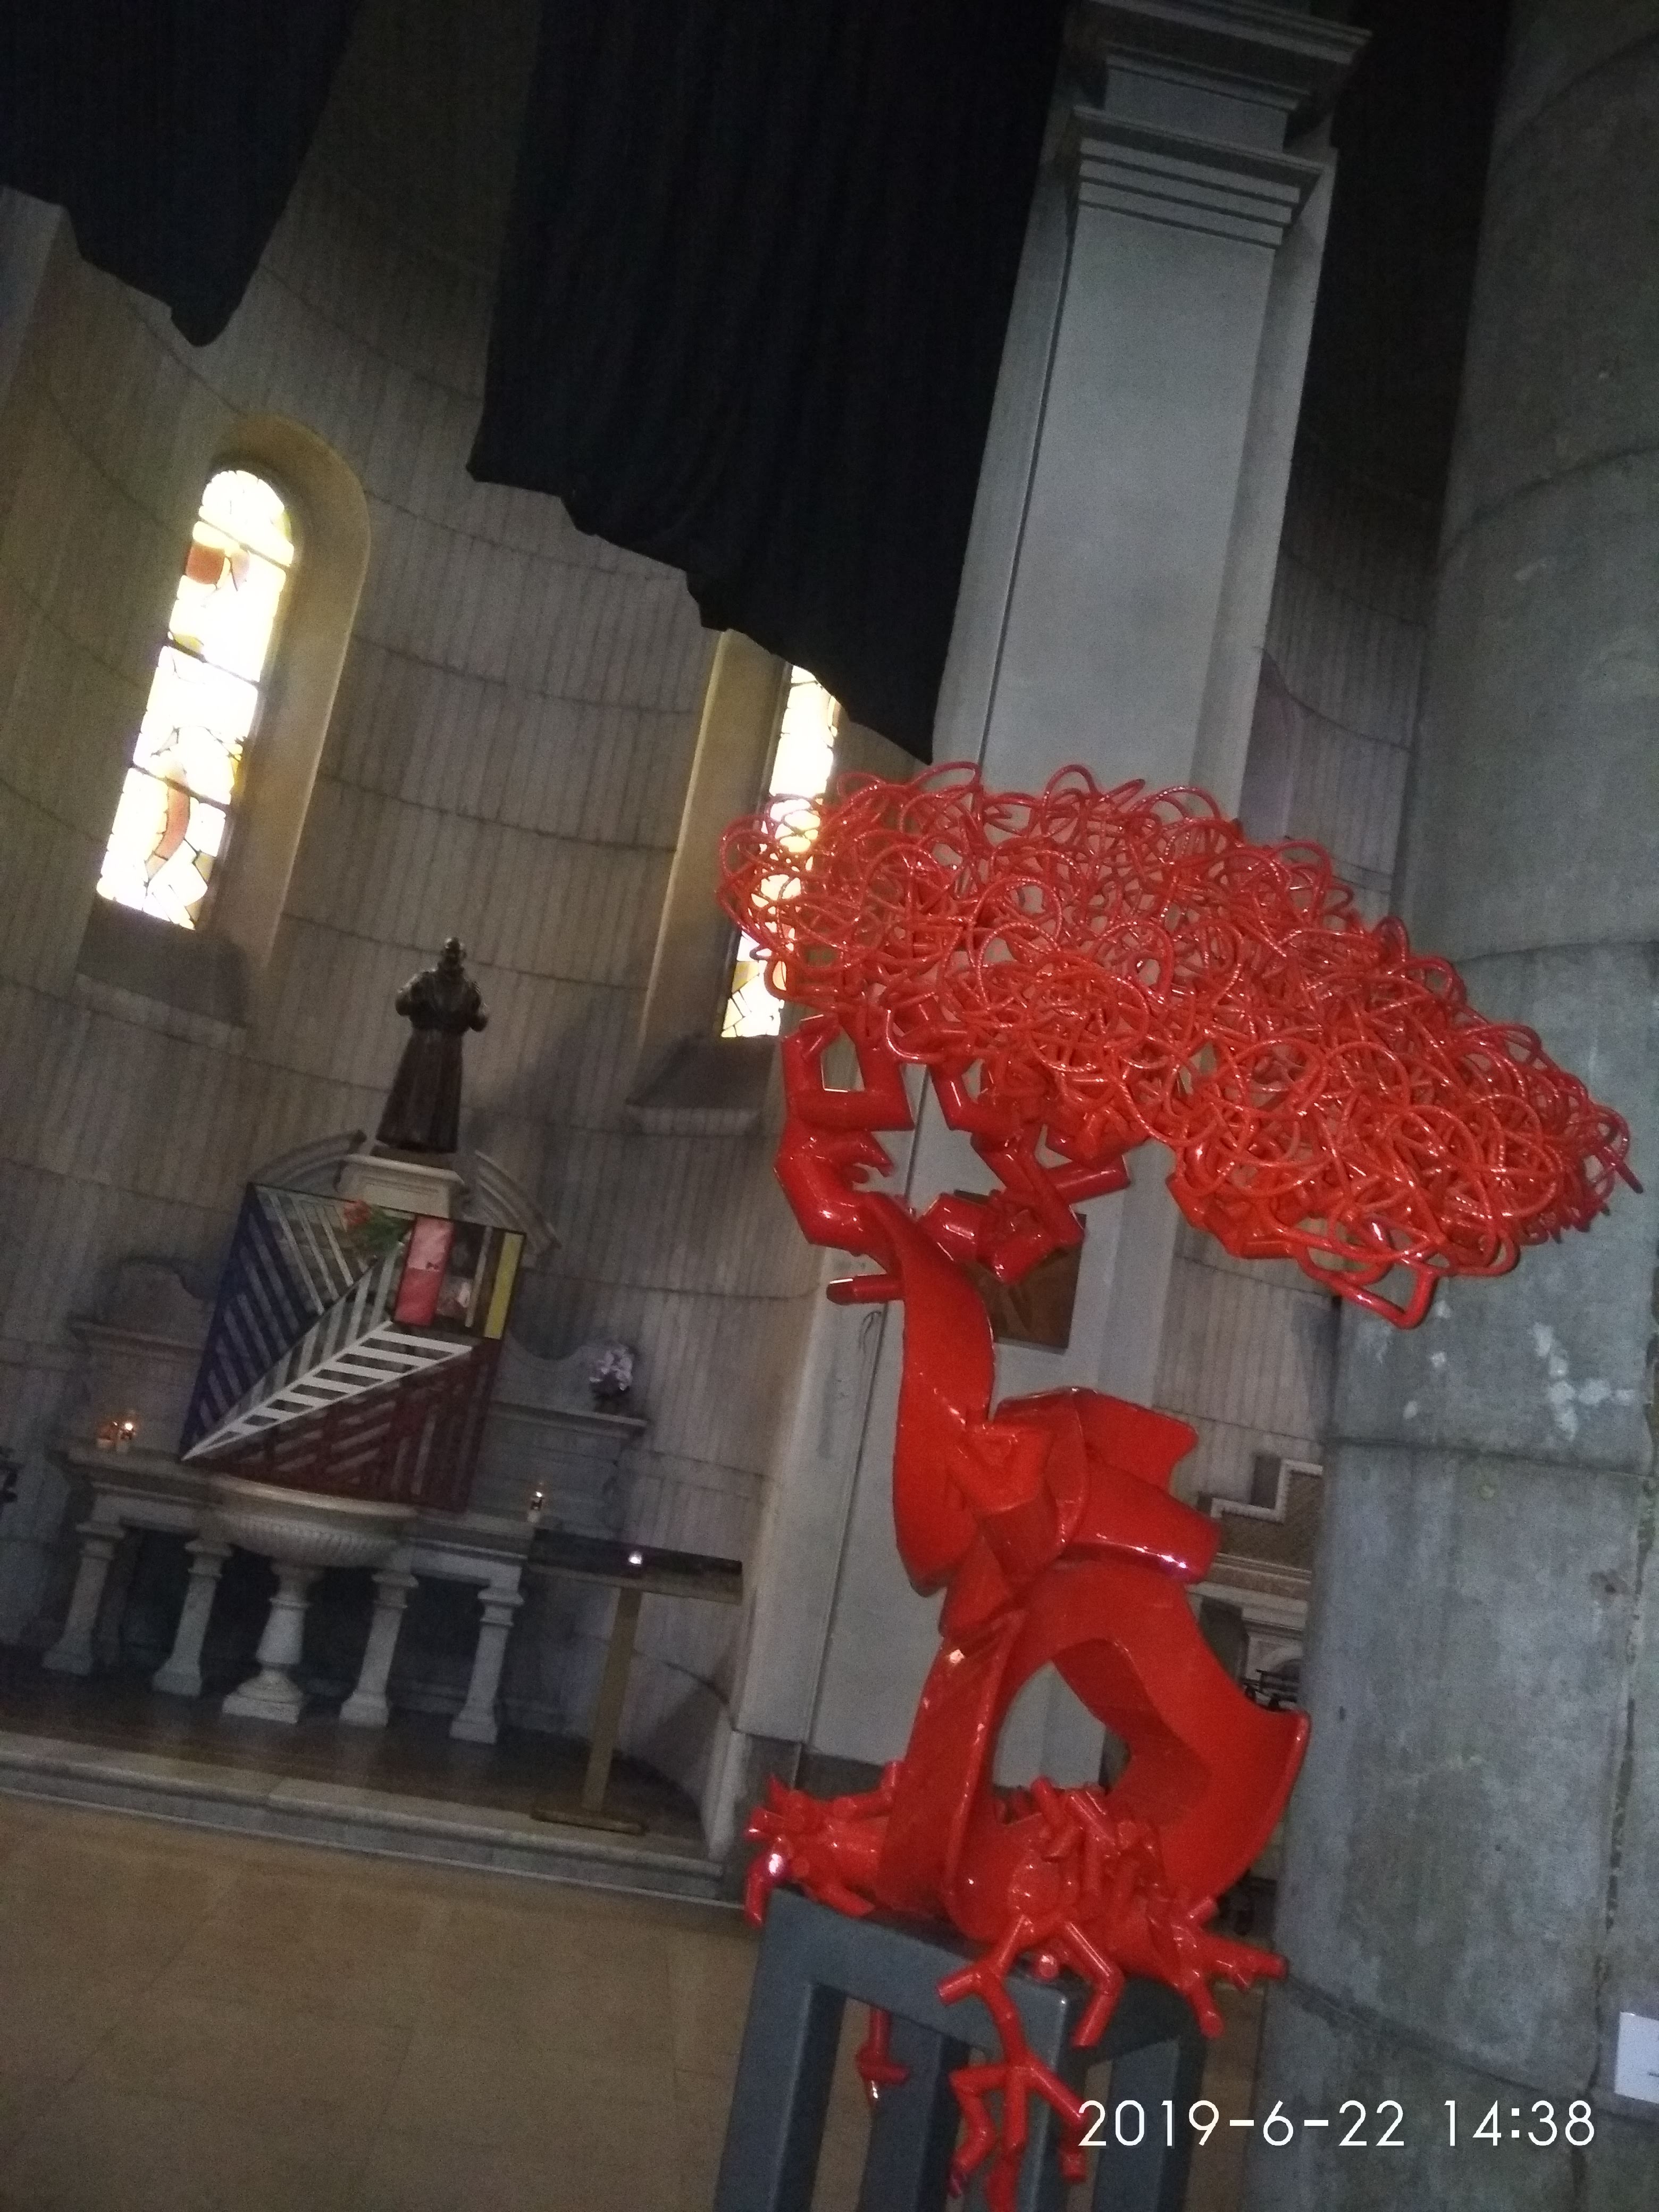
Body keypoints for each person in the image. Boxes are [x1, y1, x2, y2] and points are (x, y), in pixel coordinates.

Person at [375, 937, 487, 1156]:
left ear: (463, 957)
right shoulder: (425, 980)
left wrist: (476, 1010)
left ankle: (436, 1141)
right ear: (442, 954)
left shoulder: (469, 988)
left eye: (456, 953)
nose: (451, 957)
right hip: (423, 1045)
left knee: (443, 1098)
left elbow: (480, 1021)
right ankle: (406, 1135)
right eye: (448, 952)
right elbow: (402, 1004)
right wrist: (412, 994)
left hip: (450, 1050)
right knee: (415, 1091)